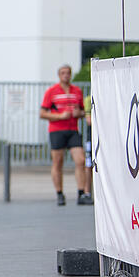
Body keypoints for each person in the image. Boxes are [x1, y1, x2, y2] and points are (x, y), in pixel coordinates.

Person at [39, 64, 91, 206]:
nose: (66, 75)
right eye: (63, 73)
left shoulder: (77, 91)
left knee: (80, 160)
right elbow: (42, 113)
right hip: (56, 130)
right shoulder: (52, 92)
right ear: (59, 75)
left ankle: (81, 193)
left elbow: (82, 111)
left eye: (68, 73)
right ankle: (60, 194)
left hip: (73, 130)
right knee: (58, 162)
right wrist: (60, 116)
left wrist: (78, 113)